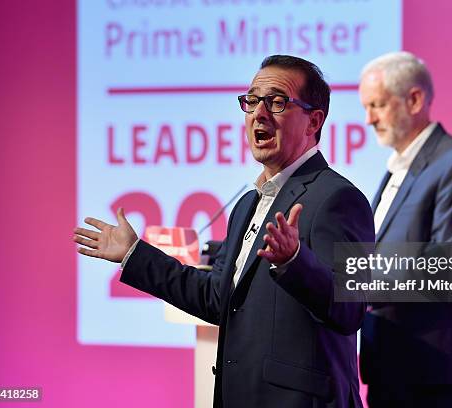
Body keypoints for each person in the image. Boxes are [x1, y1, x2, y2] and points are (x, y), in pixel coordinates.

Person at [74, 55, 374, 408]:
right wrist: (134, 254)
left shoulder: (338, 198)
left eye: (277, 102)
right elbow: (218, 299)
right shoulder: (247, 204)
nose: (259, 114)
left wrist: (295, 261)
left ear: (314, 121)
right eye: (251, 101)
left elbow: (351, 309)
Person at [357, 51, 452, 407]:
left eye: (377, 105)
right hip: (391, 363)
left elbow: (447, 265)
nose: (369, 119)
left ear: (415, 99)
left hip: (439, 370)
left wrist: (358, 286)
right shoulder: (398, 168)